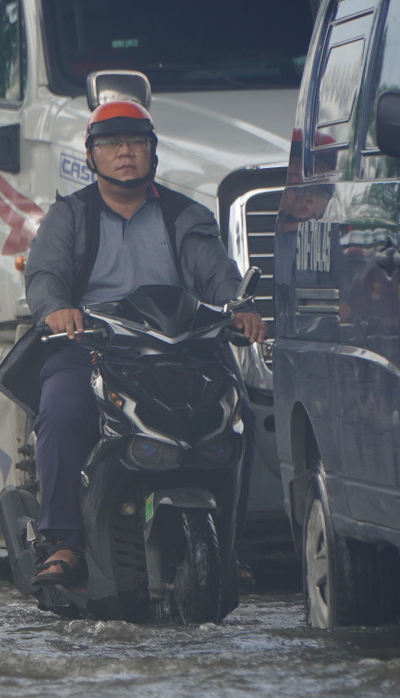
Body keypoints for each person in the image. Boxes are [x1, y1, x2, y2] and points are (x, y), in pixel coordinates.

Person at [23, 100, 267, 586]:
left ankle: (230, 543)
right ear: (91, 156)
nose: (125, 152)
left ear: (153, 152)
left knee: (237, 414)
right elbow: (45, 275)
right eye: (111, 144)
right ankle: (65, 540)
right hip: (93, 346)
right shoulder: (68, 216)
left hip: (178, 349)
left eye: (136, 142)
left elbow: (217, 274)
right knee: (63, 407)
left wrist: (237, 307)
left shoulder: (185, 215)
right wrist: (56, 307)